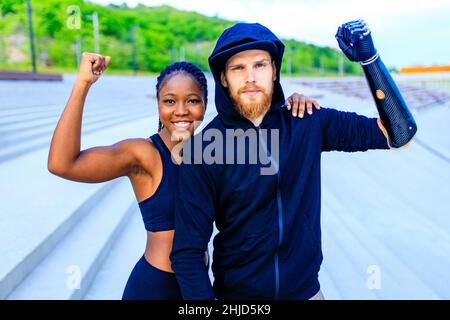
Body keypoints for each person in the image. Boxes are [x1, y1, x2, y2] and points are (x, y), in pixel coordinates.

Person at [170, 20, 417, 300]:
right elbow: (188, 252)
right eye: (238, 68)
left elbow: (400, 133)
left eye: (260, 65)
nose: (250, 76)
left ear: (274, 70)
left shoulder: (307, 121)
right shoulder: (203, 150)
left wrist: (369, 59)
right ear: (223, 78)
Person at [47, 52, 319, 299]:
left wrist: (290, 107)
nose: (180, 111)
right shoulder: (144, 154)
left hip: (200, 287)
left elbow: (264, 129)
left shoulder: (213, 150)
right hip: (156, 288)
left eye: (192, 100)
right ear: (158, 104)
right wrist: (83, 84)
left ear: (205, 103)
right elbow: (62, 164)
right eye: (169, 101)